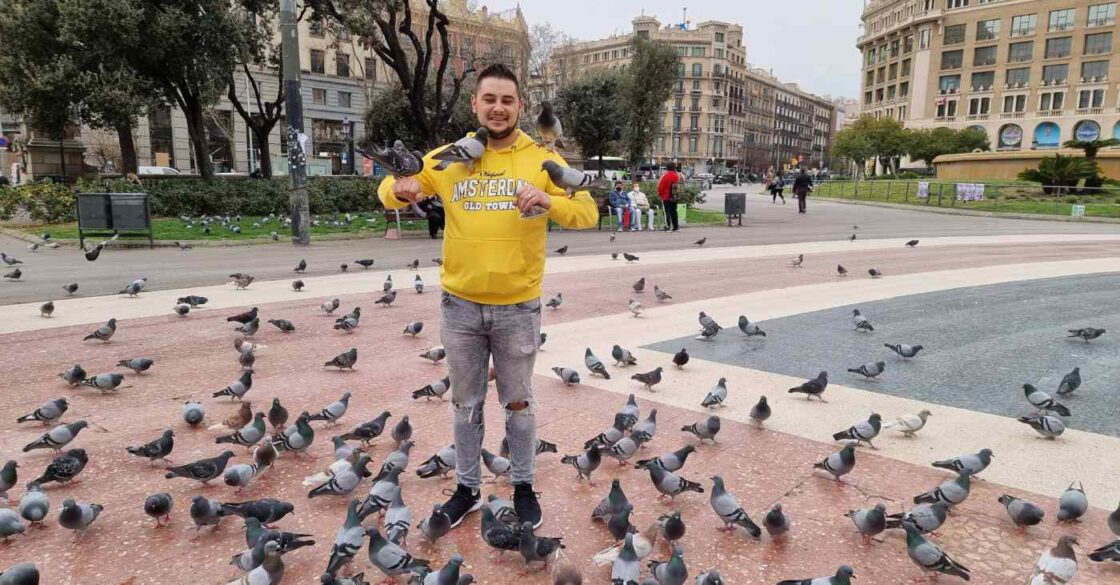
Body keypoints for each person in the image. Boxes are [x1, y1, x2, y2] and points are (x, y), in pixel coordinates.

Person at [377, 63, 598, 530]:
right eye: (489, 99)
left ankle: (522, 485)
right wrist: (402, 188)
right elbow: (388, 191)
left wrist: (548, 201)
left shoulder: (540, 157)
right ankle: (467, 488)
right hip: (459, 307)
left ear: (520, 106)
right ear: (475, 104)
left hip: (518, 306)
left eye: (507, 100)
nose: (498, 108)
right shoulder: (447, 157)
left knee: (518, 403)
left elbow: (588, 212)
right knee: (464, 403)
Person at [657, 163, 681, 231]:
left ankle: (667, 226)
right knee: (674, 211)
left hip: (666, 196)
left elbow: (661, 186)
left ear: (667, 168)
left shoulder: (665, 176)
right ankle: (675, 226)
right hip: (674, 196)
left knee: (667, 211)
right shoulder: (677, 175)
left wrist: (660, 194)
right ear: (674, 167)